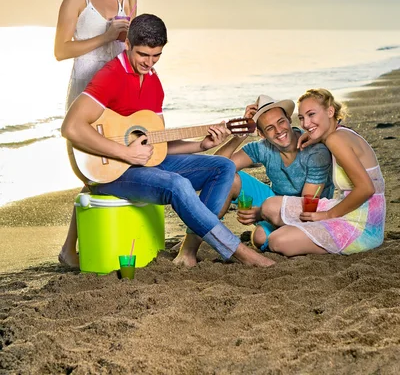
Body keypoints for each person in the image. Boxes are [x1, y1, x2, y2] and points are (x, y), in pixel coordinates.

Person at [61, 14, 275, 268]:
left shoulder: (154, 83)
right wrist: (125, 153)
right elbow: (71, 127)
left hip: (145, 166)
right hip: (111, 173)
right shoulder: (111, 76)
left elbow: (157, 144)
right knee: (177, 184)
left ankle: (188, 251)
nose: (149, 63)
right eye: (143, 55)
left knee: (223, 166)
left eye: (156, 56)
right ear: (127, 44)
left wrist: (202, 145)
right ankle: (237, 250)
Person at [55, 0, 136, 267]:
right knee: (92, 172)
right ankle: (69, 248)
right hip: (86, 92)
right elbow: (61, 50)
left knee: (112, 168)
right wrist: (104, 36)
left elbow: (131, 49)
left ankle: (85, 245)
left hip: (118, 94)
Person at [262, 89, 385, 256]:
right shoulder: (338, 133)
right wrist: (315, 137)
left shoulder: (336, 139)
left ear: (330, 111)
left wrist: (327, 215)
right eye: (302, 118)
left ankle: (296, 231)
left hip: (362, 226)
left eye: (311, 114)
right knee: (270, 206)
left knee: (278, 241)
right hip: (349, 208)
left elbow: (366, 189)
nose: (305, 124)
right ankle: (299, 231)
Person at [216, 95, 333, 251]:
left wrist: (262, 213)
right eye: (269, 128)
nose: (279, 131)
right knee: (227, 177)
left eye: (281, 122)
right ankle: (202, 232)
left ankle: (276, 228)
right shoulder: (263, 147)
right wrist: (242, 133)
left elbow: (307, 207)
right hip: (274, 203)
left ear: (289, 120)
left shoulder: (315, 152)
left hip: (309, 212)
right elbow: (215, 168)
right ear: (262, 134)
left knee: (260, 238)